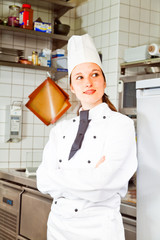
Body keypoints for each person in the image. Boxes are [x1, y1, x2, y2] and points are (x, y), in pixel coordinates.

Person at [36, 34, 137, 240]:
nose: (88, 83)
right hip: (58, 227)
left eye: (94, 74)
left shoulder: (121, 125)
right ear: (72, 87)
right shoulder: (60, 130)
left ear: (104, 81)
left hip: (99, 230)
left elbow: (101, 184)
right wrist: (89, 175)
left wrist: (61, 175)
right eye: (79, 77)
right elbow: (43, 180)